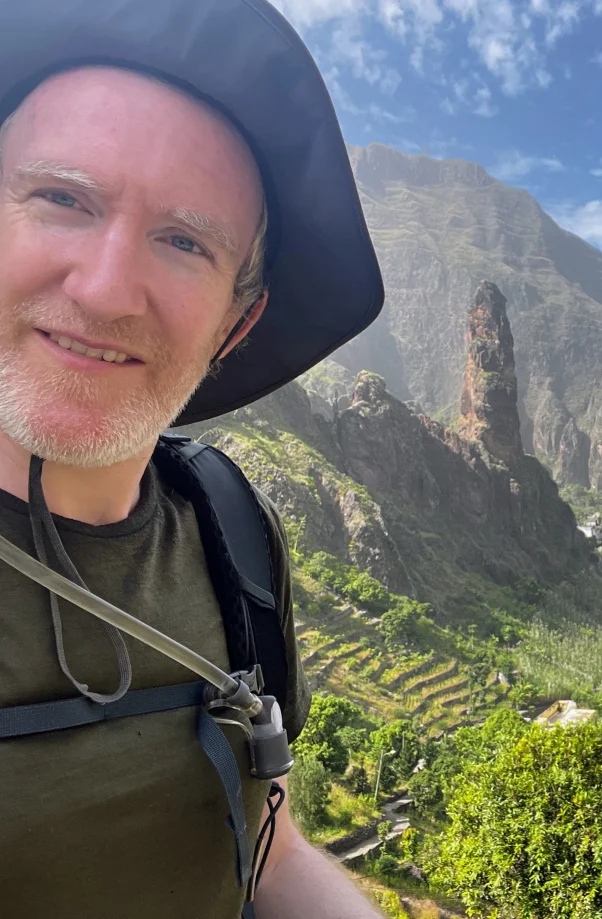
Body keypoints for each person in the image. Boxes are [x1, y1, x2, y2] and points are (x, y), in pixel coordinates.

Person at [0, 1, 387, 916]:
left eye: (183, 241)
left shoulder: (231, 534)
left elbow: (269, 846)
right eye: (63, 198)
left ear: (236, 323)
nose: (103, 288)